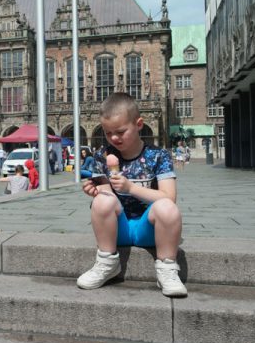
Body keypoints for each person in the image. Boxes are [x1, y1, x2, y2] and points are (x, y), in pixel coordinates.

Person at [77, 93, 186, 297]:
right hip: (119, 229)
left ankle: (167, 269)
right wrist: (95, 190)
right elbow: (108, 197)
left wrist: (131, 188)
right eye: (108, 133)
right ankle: (108, 262)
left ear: (139, 124)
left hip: (151, 229)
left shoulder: (158, 156)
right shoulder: (102, 155)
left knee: (167, 207)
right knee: (101, 201)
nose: (114, 138)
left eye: (120, 131)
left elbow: (169, 197)